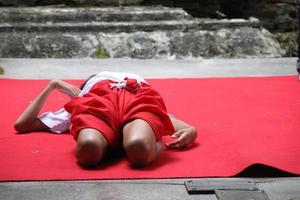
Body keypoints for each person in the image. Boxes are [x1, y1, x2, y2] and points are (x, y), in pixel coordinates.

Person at [14, 71, 197, 168]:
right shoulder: (81, 102)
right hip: (96, 102)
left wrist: (191, 131)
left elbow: (166, 119)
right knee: (88, 149)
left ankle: (131, 144)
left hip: (135, 92)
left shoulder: (134, 87)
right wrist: (52, 84)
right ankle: (120, 144)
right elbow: (22, 125)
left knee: (138, 147)